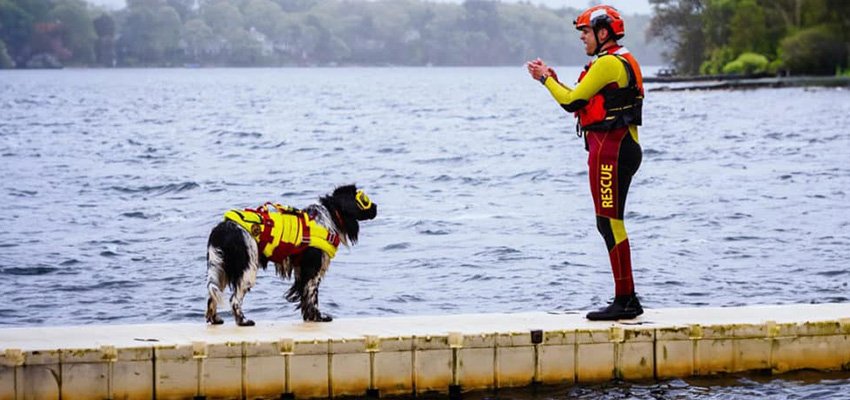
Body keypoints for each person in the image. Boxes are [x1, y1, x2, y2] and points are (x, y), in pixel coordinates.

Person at [526, 5, 645, 320]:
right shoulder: (616, 60)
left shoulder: (608, 63)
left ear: (603, 32)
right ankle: (626, 297)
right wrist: (554, 78)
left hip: (612, 150)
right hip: (618, 147)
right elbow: (582, 98)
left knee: (610, 222)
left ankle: (626, 300)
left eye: (586, 32)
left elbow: (570, 102)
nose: (582, 38)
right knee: (608, 222)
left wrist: (543, 80)